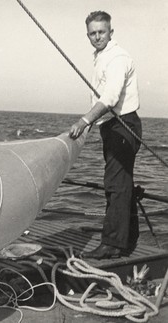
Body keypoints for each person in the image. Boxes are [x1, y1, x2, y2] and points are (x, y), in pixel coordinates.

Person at [69, 11, 142, 260]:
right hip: (112, 126)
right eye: (92, 33)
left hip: (123, 125)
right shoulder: (102, 56)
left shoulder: (117, 58)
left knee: (116, 184)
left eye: (101, 31)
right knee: (121, 182)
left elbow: (110, 97)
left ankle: (112, 245)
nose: (97, 36)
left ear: (111, 32)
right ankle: (127, 238)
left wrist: (84, 121)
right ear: (87, 34)